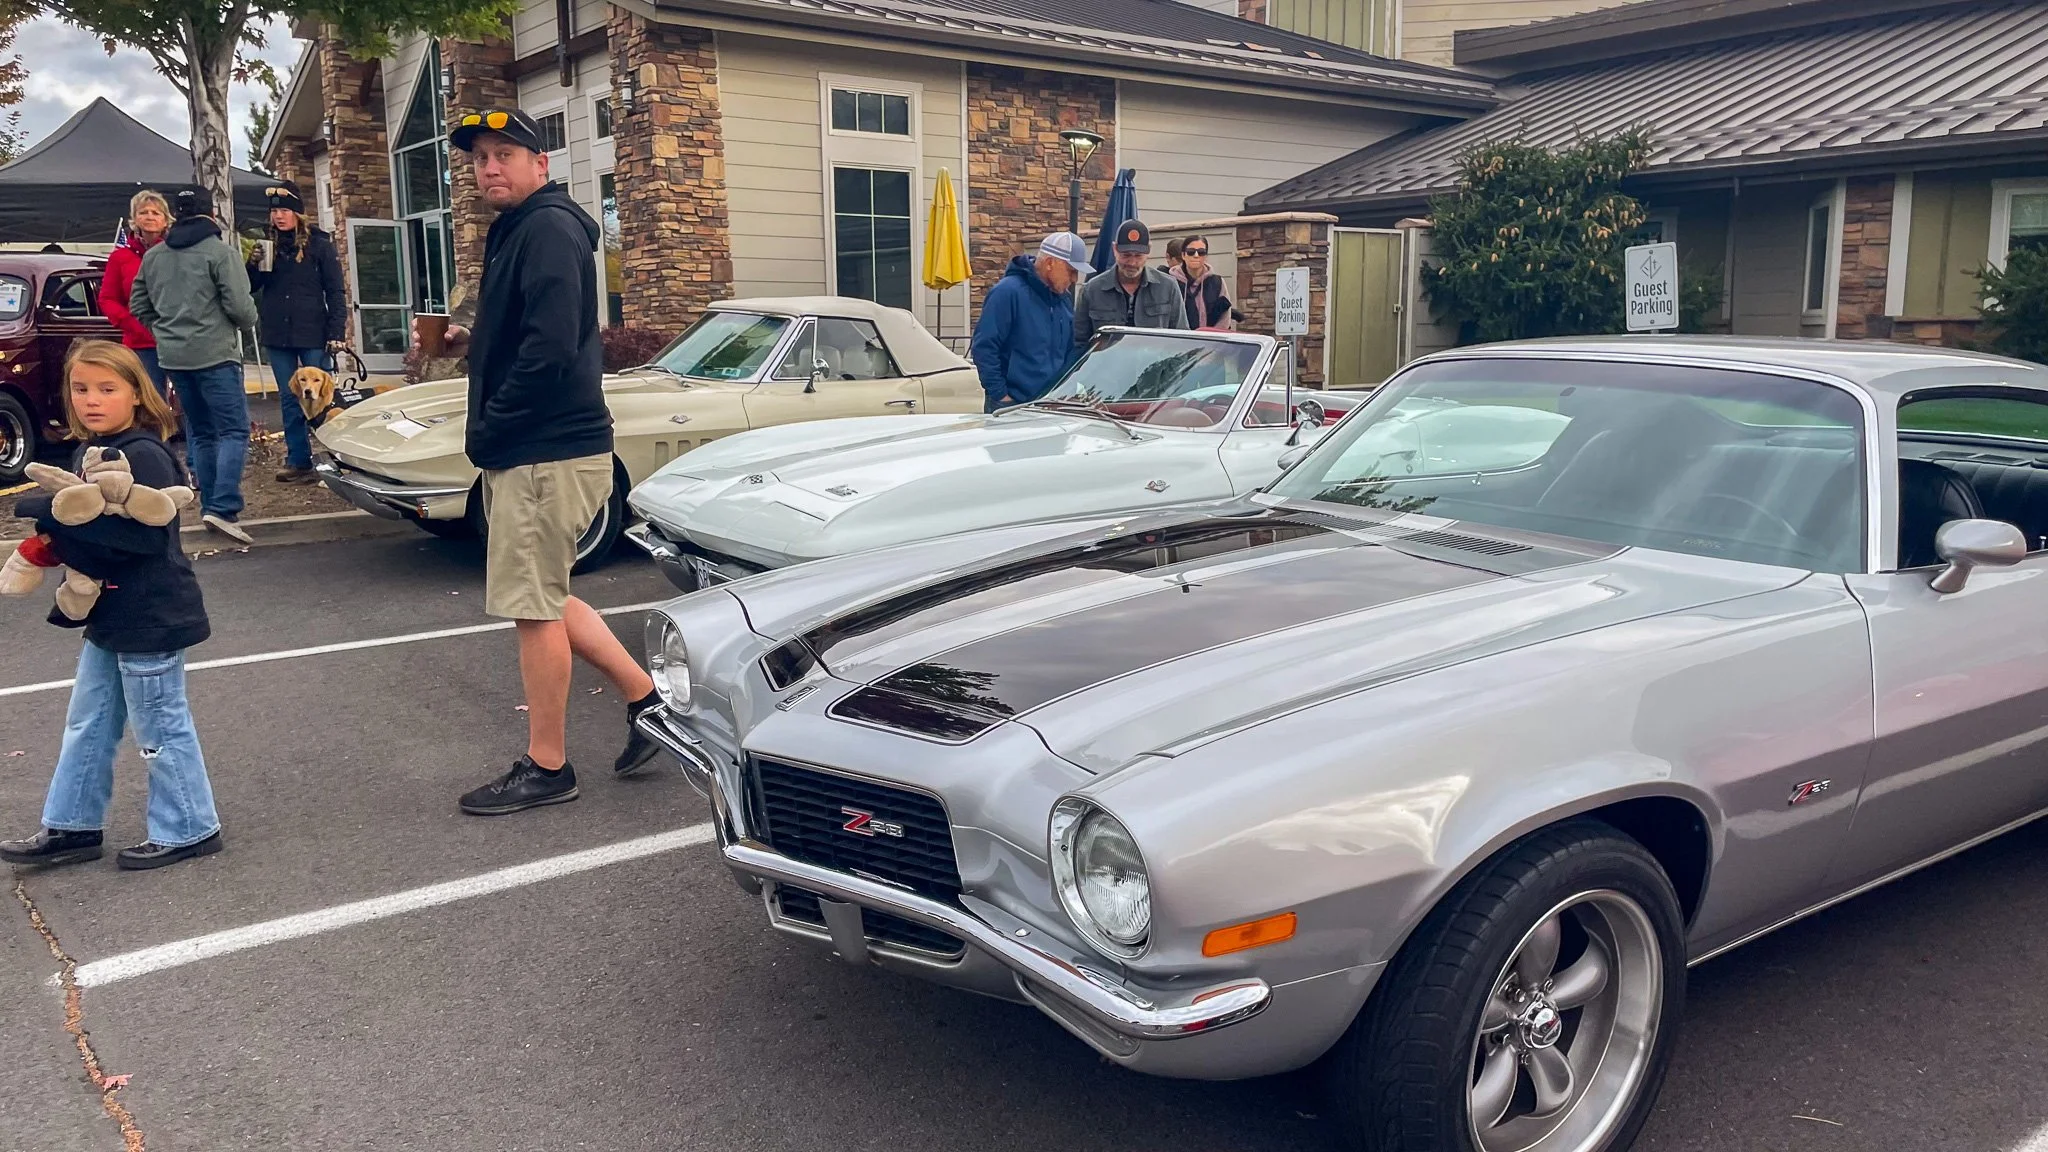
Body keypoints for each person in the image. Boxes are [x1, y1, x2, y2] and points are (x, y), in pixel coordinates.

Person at [422, 108, 659, 816]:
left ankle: (549, 767)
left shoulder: (548, 229)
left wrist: (495, 425)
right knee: (546, 596)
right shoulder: (525, 230)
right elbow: (534, 331)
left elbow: (551, 351)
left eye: (504, 154)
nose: (488, 167)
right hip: (544, 447)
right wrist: (472, 343)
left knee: (532, 609)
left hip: (541, 450)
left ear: (540, 165)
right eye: (478, 159)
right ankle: (647, 699)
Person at [0, 340, 223, 872]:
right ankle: (72, 825)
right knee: (90, 722)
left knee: (160, 728)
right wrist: (58, 527)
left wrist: (50, 521)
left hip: (152, 614)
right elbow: (92, 526)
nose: (91, 400)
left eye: (107, 388)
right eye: (81, 389)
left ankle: (190, 826)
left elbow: (141, 542)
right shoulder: (90, 451)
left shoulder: (143, 454)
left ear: (136, 394)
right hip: (109, 615)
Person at [130, 189, 259, 545]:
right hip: (215, 353)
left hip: (175, 357)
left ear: (177, 215)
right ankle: (224, 506)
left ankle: (208, 504)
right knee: (233, 431)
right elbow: (242, 310)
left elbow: (137, 302)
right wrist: (244, 317)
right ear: (211, 213)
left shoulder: (154, 256)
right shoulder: (220, 253)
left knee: (200, 432)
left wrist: (163, 330)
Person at [246, 179, 346, 484]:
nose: (279, 217)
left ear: (298, 214)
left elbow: (336, 290)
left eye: (286, 211)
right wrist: (252, 266)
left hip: (313, 331)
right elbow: (251, 288)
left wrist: (336, 331)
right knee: (291, 398)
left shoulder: (320, 245)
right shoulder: (267, 247)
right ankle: (299, 460)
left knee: (324, 398)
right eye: (275, 212)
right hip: (278, 333)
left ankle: (337, 457)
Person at [969, 232, 1092, 412]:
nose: (1074, 279)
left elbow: (1069, 349)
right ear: (1050, 263)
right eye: (1071, 271)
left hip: (1052, 406)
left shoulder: (1063, 300)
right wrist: (1001, 396)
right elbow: (984, 348)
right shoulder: (1007, 292)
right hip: (1011, 406)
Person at [100, 190, 173, 394]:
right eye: (143, 212)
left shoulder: (176, 253)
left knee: (186, 404)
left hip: (177, 340)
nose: (149, 216)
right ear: (135, 218)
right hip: (140, 343)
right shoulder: (121, 257)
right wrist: (131, 323)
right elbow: (108, 298)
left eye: (156, 213)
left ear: (166, 220)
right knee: (149, 399)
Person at [1075, 218, 1189, 348]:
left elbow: (1182, 340)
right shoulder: (1091, 290)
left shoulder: (1168, 287)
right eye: (1126, 255)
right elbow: (1079, 343)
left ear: (1149, 251)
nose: (1132, 262)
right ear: (1114, 249)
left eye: (1138, 255)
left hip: (1155, 366)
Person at [1172, 234, 1236, 330]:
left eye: (1201, 252)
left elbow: (1225, 316)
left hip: (1211, 341)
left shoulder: (1217, 282)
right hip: (1179, 341)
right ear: (1183, 255)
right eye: (1191, 252)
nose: (1196, 256)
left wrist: (1212, 338)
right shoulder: (1171, 282)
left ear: (1206, 256)